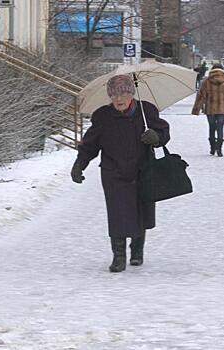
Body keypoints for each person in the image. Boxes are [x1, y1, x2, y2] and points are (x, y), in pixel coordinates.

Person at [70, 74, 170, 273]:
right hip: (113, 172)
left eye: (123, 94)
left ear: (131, 94)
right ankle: (118, 256)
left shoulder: (146, 111)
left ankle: (137, 251)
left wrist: (155, 138)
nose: (119, 99)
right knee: (118, 213)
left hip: (143, 170)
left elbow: (164, 133)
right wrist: (79, 164)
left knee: (141, 210)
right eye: (114, 95)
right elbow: (90, 144)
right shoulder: (102, 116)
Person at [191, 63, 224, 157]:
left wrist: (196, 109)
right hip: (222, 109)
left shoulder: (206, 81)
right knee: (220, 128)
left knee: (212, 128)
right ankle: (219, 149)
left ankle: (212, 148)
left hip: (210, 109)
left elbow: (201, 96)